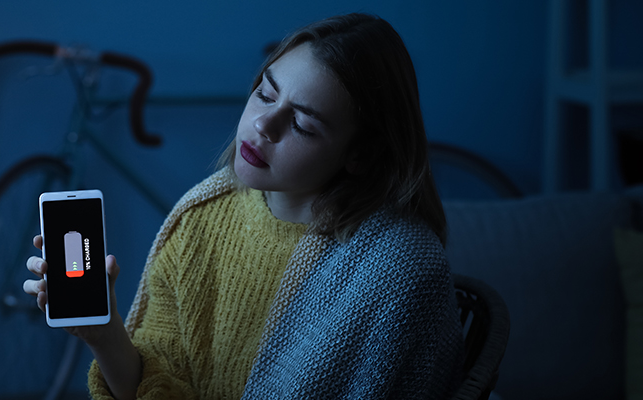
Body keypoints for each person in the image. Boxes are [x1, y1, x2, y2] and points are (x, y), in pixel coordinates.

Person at [24, 12, 464, 399]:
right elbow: (163, 387)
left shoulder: (399, 272)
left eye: (302, 124)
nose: (263, 125)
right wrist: (105, 336)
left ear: (360, 154)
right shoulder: (202, 217)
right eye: (266, 94)